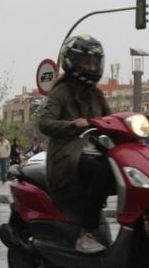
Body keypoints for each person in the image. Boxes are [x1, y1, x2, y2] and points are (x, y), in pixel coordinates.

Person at [37, 33, 114, 254]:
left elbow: (111, 119)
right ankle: (86, 233)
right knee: (101, 171)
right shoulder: (62, 91)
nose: (91, 66)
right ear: (72, 61)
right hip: (67, 158)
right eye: (85, 61)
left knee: (122, 170)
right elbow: (44, 122)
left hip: (93, 153)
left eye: (94, 62)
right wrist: (72, 125)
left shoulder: (96, 94)